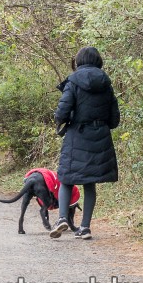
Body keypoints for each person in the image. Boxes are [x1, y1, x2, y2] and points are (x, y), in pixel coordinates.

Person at [49, 46, 120, 240]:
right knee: (90, 183)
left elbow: (62, 111)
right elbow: (115, 119)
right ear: (99, 61)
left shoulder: (73, 81)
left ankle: (63, 217)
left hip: (77, 135)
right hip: (100, 136)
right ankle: (85, 228)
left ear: (78, 61)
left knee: (66, 178)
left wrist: (60, 120)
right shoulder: (106, 83)